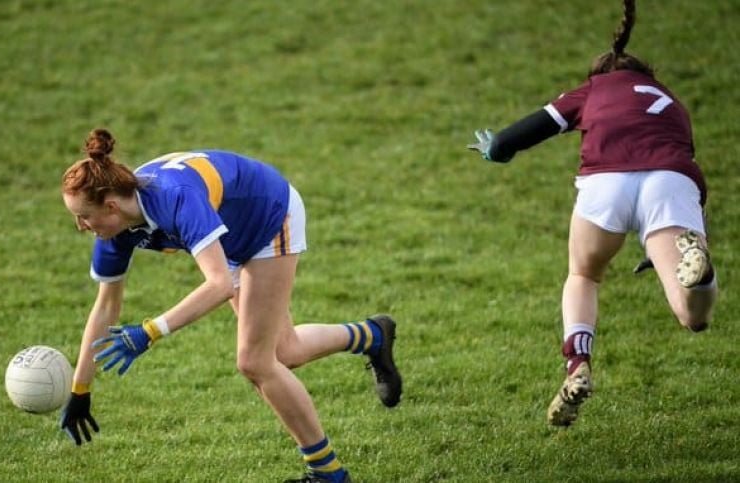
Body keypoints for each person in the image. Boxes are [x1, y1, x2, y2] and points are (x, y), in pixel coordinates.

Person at [56, 128, 402, 482]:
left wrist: (150, 331)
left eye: (83, 217)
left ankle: (328, 474)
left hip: (268, 215)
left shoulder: (175, 199)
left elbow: (219, 285)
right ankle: (372, 335)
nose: (81, 226)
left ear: (111, 206)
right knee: (284, 352)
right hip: (225, 236)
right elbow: (105, 307)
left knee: (255, 361)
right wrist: (80, 389)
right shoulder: (115, 231)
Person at [467, 0, 717, 427]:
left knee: (584, 274)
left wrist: (496, 150)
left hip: (607, 182)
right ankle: (699, 269)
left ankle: (578, 363)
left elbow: (525, 131)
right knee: (692, 316)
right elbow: (682, 166)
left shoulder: (593, 90)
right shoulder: (672, 101)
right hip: (672, 183)